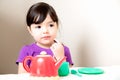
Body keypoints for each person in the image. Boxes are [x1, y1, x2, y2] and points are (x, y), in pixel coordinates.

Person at [16, 2, 73, 74]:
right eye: (38, 27)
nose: (45, 31)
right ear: (30, 30)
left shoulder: (63, 49)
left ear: (57, 26)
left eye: (51, 25)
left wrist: (60, 57)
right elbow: (21, 77)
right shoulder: (26, 51)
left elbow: (67, 76)